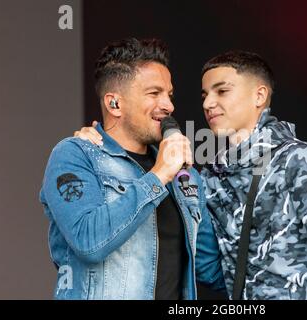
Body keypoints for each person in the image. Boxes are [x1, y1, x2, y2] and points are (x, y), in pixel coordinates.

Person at [76, 50, 307, 300]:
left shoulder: (295, 158)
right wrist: (102, 140)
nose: (207, 103)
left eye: (222, 91)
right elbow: (210, 267)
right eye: (205, 94)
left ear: (259, 95)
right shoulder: (211, 175)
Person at [40, 38, 225, 300]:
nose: (169, 105)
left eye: (169, 95)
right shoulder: (75, 154)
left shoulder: (184, 175)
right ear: (114, 103)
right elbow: (89, 241)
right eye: (154, 93)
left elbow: (209, 267)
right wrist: (158, 175)